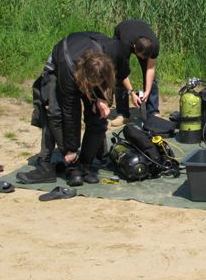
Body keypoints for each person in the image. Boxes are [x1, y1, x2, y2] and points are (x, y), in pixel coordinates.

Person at [17, 32, 130, 186]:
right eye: (91, 86)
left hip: (91, 61)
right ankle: (50, 165)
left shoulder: (114, 53)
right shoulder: (68, 71)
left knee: (99, 117)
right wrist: (71, 148)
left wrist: (104, 99)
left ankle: (85, 165)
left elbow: (117, 79)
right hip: (61, 67)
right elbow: (70, 113)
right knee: (54, 113)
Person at [110, 19, 160, 126]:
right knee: (119, 77)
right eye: (141, 56)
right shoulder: (123, 45)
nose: (142, 58)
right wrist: (132, 93)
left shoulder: (154, 45)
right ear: (134, 48)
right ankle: (123, 114)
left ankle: (153, 111)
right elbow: (122, 74)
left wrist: (147, 90)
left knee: (152, 80)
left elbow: (150, 69)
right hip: (121, 32)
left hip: (139, 32)